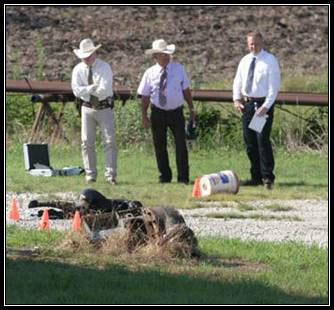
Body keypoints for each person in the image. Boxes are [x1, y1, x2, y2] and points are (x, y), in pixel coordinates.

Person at [137, 39, 195, 184]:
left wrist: (191, 108)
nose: (166, 57)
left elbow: (186, 90)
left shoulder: (178, 69)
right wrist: (144, 115)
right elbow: (145, 95)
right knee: (159, 145)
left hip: (176, 112)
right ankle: (165, 176)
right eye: (163, 54)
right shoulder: (149, 73)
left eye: (167, 54)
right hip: (158, 112)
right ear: (155, 56)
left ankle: (183, 177)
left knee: (181, 146)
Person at [233, 31, 281, 189]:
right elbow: (238, 81)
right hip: (247, 105)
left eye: (256, 43)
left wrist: (266, 106)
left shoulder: (269, 61)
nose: (253, 46)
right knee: (250, 143)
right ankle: (256, 177)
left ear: (262, 43)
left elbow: (274, 87)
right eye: (251, 44)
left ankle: (268, 177)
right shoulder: (245, 60)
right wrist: (237, 99)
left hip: (262, 105)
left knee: (262, 141)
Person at [71, 38, 117, 184]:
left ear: (95, 53)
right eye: (84, 57)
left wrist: (85, 90)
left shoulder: (104, 67)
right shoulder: (78, 69)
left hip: (104, 107)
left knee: (110, 142)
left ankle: (111, 175)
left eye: (89, 55)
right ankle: (90, 174)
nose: (86, 59)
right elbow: (76, 91)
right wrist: (91, 88)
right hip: (87, 108)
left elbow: (104, 90)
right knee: (86, 142)